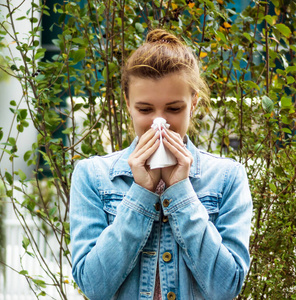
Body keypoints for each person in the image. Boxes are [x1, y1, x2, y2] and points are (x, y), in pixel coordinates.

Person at [70, 29, 252, 300]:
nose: (160, 123)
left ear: (194, 103)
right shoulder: (94, 176)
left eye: (174, 109)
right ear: (127, 104)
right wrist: (141, 194)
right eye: (145, 110)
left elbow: (226, 287)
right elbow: (94, 287)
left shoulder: (227, 178)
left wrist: (180, 191)